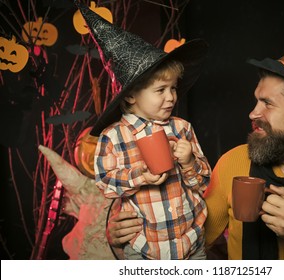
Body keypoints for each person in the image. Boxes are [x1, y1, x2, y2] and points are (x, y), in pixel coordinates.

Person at [105, 0, 284, 259]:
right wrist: (124, 242)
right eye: (255, 100)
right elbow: (188, 242)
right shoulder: (233, 163)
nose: (252, 113)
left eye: (267, 103)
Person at [74, 1, 212, 260]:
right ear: (130, 97)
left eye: (173, 88)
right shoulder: (113, 137)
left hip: (191, 241)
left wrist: (190, 161)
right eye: (161, 90)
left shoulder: (182, 128)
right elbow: (106, 184)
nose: (171, 97)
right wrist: (142, 176)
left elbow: (203, 184)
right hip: (144, 249)